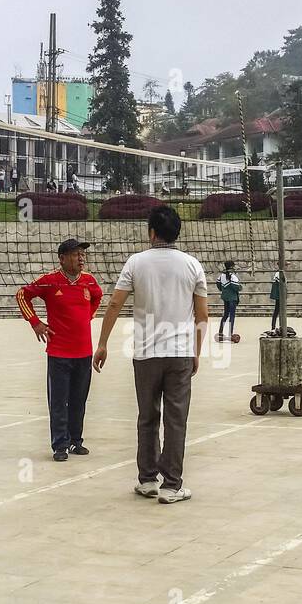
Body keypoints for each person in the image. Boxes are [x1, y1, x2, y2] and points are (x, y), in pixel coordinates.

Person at [93, 205, 207, 504]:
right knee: (176, 419)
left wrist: (103, 343)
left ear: (152, 232)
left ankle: (147, 480)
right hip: (179, 352)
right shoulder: (192, 265)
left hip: (145, 353)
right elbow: (202, 314)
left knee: (147, 416)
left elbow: (115, 305)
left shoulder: (136, 262)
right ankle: (172, 485)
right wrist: (196, 351)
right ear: (177, 232)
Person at [15, 238, 103, 461]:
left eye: (82, 254)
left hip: (84, 352)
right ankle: (60, 445)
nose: (81, 258)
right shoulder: (50, 281)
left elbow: (98, 297)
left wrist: (87, 316)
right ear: (62, 258)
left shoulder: (89, 281)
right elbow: (22, 295)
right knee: (58, 401)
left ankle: (76, 441)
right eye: (75, 254)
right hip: (59, 353)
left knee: (79, 400)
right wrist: (35, 322)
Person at [215, 260, 241, 341]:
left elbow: (218, 284)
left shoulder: (221, 276)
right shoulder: (233, 276)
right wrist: (240, 288)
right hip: (232, 298)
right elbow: (237, 287)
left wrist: (223, 290)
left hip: (225, 297)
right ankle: (230, 333)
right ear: (232, 267)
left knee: (225, 315)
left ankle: (220, 332)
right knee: (232, 316)